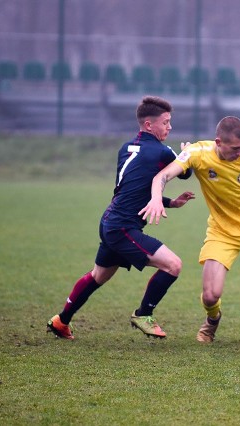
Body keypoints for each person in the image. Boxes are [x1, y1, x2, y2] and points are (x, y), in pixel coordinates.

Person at [140, 116, 240, 343]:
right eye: (235, 149)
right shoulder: (198, 153)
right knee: (210, 295)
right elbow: (162, 175)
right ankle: (213, 319)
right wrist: (157, 199)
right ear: (218, 142)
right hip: (222, 232)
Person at [46, 95, 194, 340]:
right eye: (166, 122)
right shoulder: (161, 151)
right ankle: (143, 314)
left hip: (110, 222)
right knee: (173, 265)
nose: (170, 127)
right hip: (123, 227)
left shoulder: (126, 148)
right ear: (149, 125)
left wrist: (170, 202)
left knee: (98, 276)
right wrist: (186, 154)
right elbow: (186, 173)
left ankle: (61, 321)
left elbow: (131, 191)